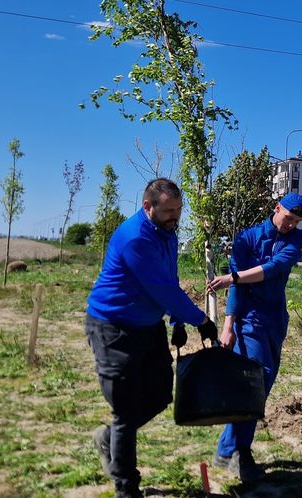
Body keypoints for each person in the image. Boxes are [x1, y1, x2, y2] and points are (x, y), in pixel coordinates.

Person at [85, 178, 218, 498]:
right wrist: (200, 319)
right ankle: (126, 486)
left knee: (160, 396)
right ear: (149, 207)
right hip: (113, 329)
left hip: (148, 326)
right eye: (169, 210)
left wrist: (177, 321)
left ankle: (109, 437)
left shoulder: (168, 233)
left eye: (179, 210)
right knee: (126, 410)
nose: (176, 216)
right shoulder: (135, 238)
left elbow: (169, 279)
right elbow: (161, 288)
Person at [206, 192, 302, 482]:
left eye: (296, 221)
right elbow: (237, 287)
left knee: (262, 384)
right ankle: (240, 452)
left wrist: (233, 277)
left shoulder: (298, 241)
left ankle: (227, 450)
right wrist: (228, 325)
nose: (290, 225)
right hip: (248, 320)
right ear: (277, 208)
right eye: (288, 218)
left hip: (275, 319)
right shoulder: (246, 239)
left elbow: (275, 268)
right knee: (255, 381)